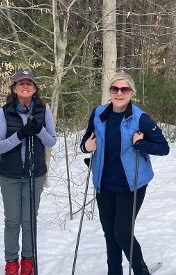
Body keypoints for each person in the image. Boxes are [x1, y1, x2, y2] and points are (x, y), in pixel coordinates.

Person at [80, 72, 169, 275]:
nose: (119, 93)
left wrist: (140, 144)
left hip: (132, 184)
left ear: (131, 93)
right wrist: (86, 146)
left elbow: (163, 148)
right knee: (109, 233)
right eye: (115, 89)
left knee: (122, 232)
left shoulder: (141, 118)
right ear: (110, 91)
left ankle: (140, 270)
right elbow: (85, 141)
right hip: (104, 183)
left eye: (124, 89)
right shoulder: (98, 113)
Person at [0, 70, 57, 275]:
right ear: (14, 88)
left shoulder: (43, 110)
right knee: (12, 220)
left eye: (30, 83)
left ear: (35, 89)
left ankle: (28, 261)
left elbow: (51, 141)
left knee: (29, 220)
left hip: (34, 174)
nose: (25, 85)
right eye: (21, 83)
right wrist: (20, 135)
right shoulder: (5, 112)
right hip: (10, 175)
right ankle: (11, 263)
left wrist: (39, 130)